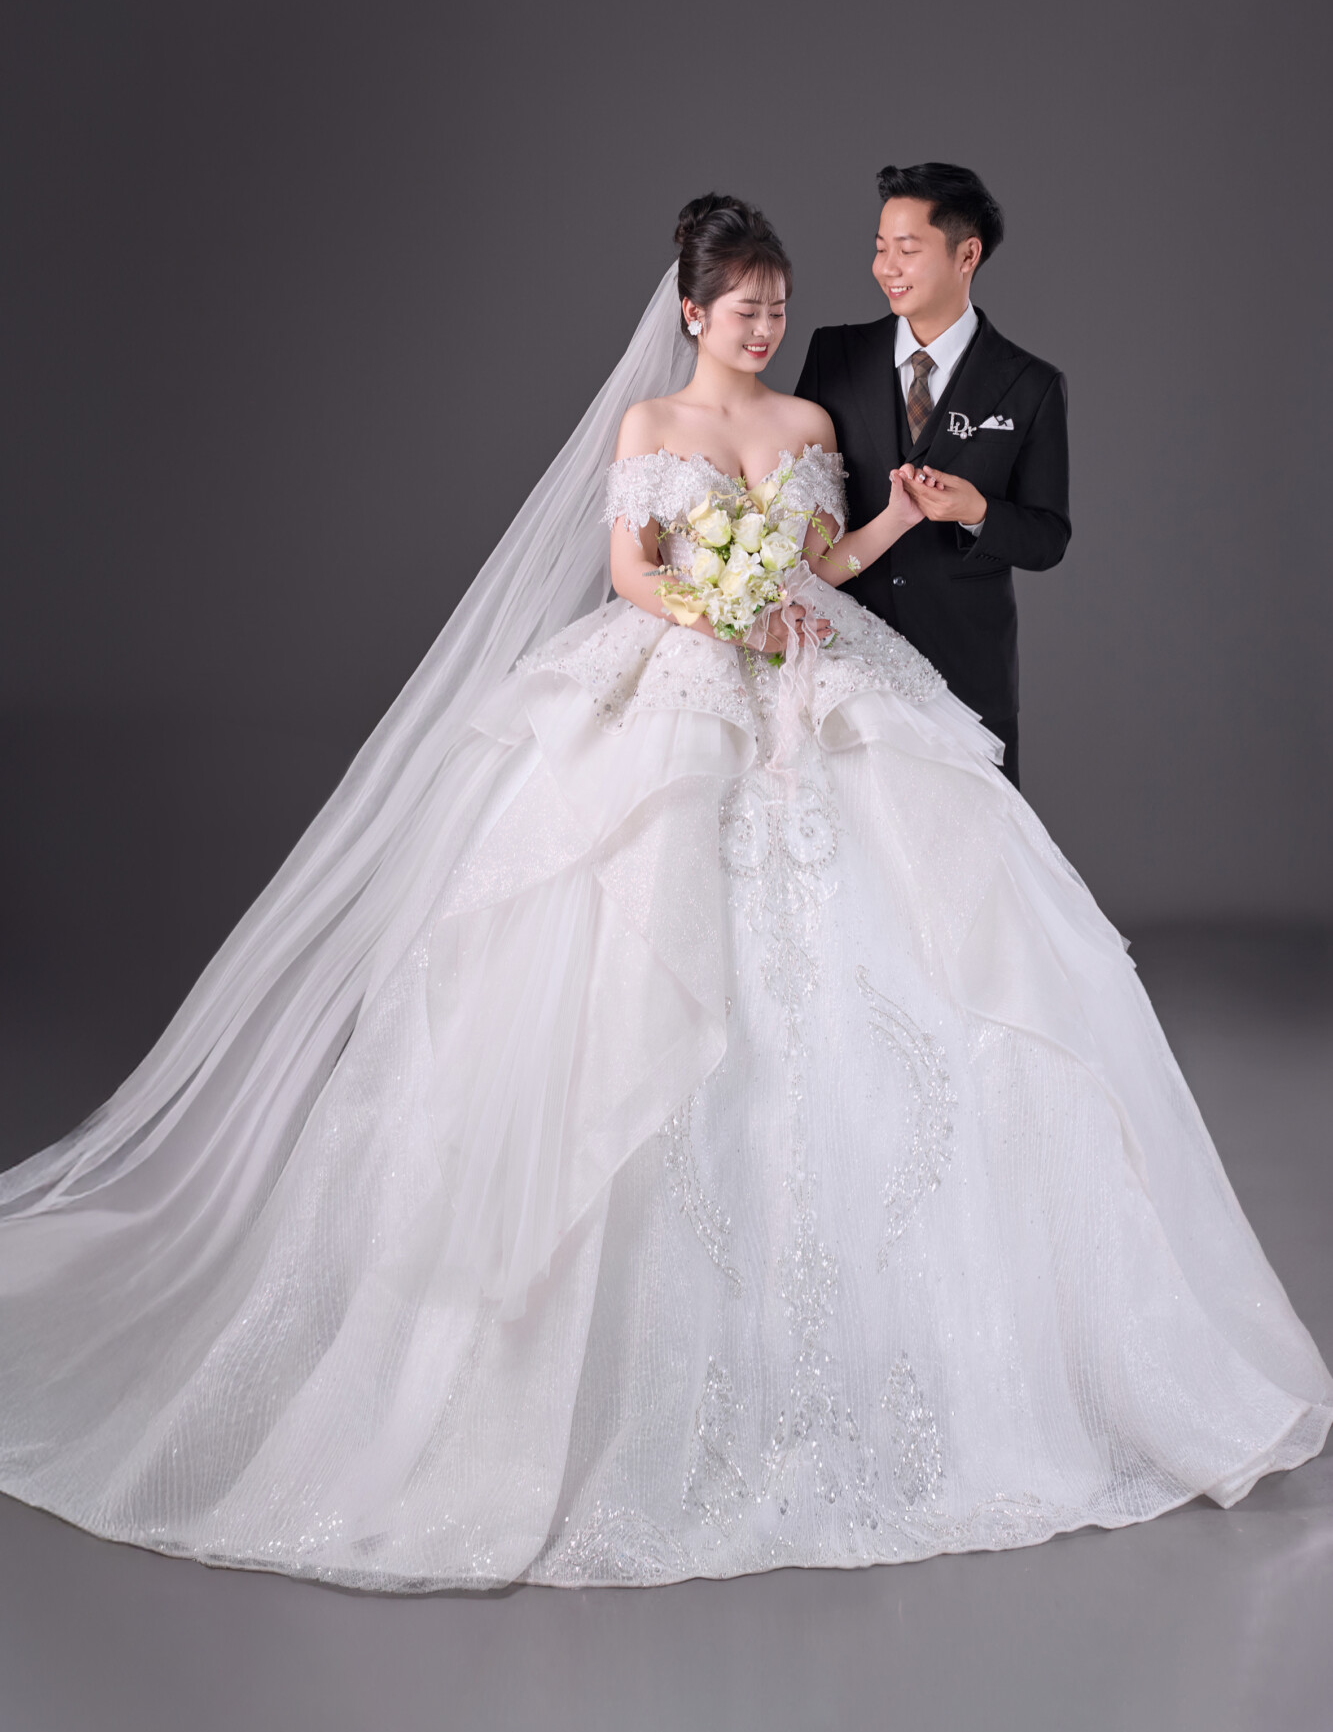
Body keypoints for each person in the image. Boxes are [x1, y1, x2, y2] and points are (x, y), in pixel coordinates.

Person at [0, 196, 1327, 1593]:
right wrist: (717, 611)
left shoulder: (807, 425)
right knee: (635, 933)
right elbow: (630, 573)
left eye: (777, 307)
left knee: (922, 940)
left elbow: (824, 565)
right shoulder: (650, 426)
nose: (764, 327)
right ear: (691, 311)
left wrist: (889, 520)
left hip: (813, 666)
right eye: (743, 309)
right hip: (683, 677)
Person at [795, 162, 1069, 786]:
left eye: (907, 250)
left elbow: (1049, 537)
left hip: (966, 669)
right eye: (880, 248)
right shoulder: (834, 356)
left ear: (967, 255)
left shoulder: (1031, 384)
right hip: (845, 664)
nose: (886, 267)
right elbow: (799, 500)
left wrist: (978, 513)